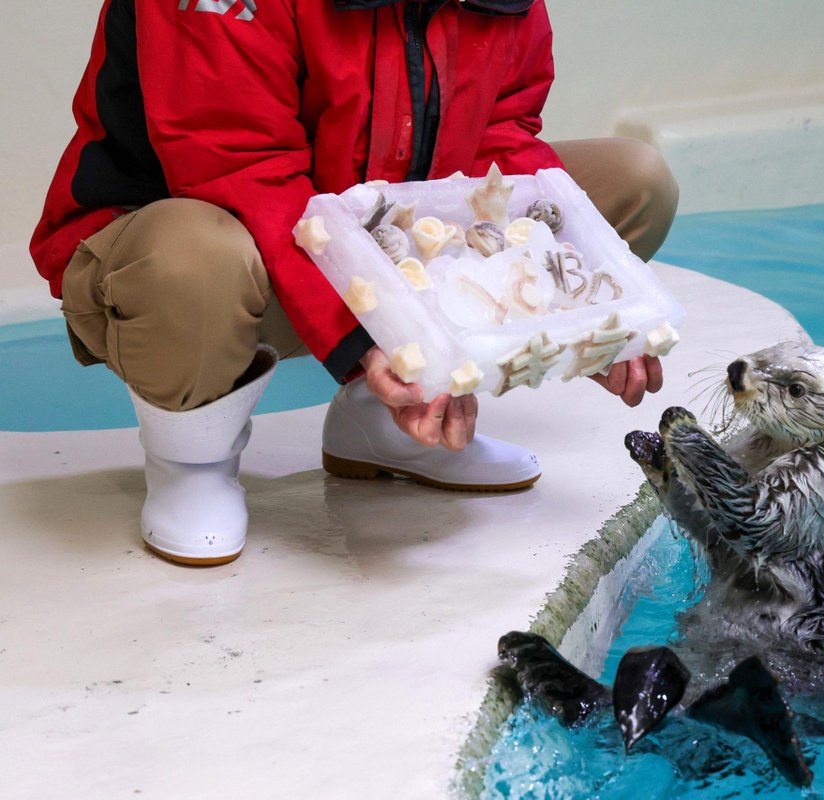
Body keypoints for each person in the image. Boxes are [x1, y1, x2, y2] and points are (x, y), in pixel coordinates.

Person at [30, 0, 679, 566]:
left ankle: (384, 421)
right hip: (196, 248)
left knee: (632, 186)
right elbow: (242, 170)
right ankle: (190, 457)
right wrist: (372, 340)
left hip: (359, 230)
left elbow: (498, 138)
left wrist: (579, 302)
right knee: (188, 260)